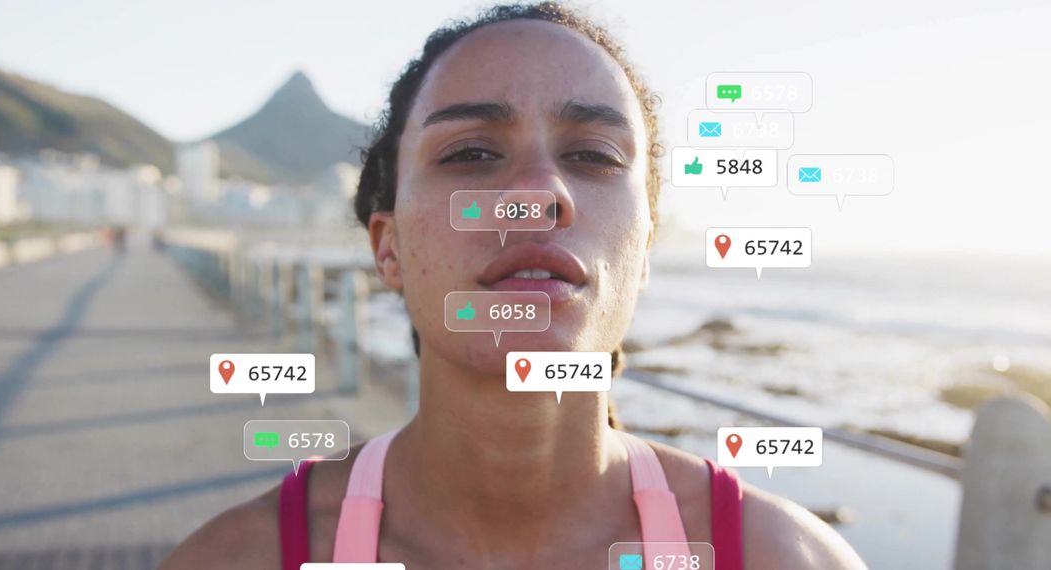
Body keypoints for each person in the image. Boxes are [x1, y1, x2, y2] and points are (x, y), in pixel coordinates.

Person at [160, 3, 866, 568]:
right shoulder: (236, 558)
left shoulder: (788, 559)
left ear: (645, 248)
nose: (539, 193)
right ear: (390, 247)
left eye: (592, 155)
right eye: (470, 153)